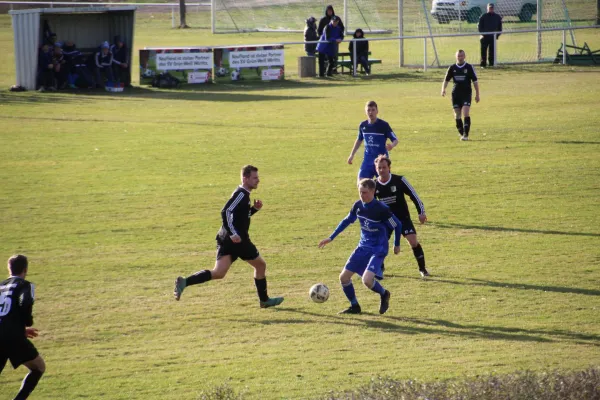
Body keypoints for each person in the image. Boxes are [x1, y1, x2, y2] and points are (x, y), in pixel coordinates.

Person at [173, 165, 284, 309]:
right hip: (238, 241)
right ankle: (264, 300)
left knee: (219, 273)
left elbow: (240, 217)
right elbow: (226, 211)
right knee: (260, 265)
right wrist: (234, 234)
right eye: (255, 178)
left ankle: (185, 282)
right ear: (245, 178)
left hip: (225, 239)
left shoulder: (245, 195)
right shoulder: (241, 194)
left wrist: (254, 210)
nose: (258, 180)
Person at [318, 179, 402, 315]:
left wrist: (396, 244)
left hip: (378, 248)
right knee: (343, 278)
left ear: (373, 192)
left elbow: (397, 225)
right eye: (360, 192)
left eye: (365, 192)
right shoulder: (358, 206)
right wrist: (331, 237)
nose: (362, 195)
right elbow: (347, 221)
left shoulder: (382, 209)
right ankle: (354, 306)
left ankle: (384, 293)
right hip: (363, 247)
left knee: (367, 280)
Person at [374, 155, 430, 278]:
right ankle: (380, 269)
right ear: (376, 169)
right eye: (379, 168)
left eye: (384, 167)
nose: (382, 170)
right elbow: (370, 205)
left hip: (402, 218)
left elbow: (414, 195)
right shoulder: (373, 185)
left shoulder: (399, 180)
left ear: (389, 168)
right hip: (386, 221)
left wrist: (421, 212)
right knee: (380, 243)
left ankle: (423, 269)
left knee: (413, 242)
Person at [0, 255, 46, 400]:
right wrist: (27, 322)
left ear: (9, 269)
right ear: (25, 269)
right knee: (38, 367)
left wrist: (18, 329)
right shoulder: (26, 285)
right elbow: (25, 302)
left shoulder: (0, 286)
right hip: (13, 337)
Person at [347, 100, 399, 181]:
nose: (370, 112)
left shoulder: (384, 125)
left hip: (381, 162)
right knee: (361, 183)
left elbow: (395, 139)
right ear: (365, 111)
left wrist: (391, 145)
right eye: (368, 110)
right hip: (367, 160)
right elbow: (359, 140)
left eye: (373, 110)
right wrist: (352, 155)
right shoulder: (363, 125)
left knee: (384, 186)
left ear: (377, 111)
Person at [441, 50, 480, 141]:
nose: (460, 57)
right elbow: (446, 80)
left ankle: (466, 135)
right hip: (455, 94)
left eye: (462, 56)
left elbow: (475, 82)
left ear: (465, 56)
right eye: (458, 56)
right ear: (456, 57)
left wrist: (477, 94)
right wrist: (443, 89)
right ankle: (462, 133)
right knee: (457, 115)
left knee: (465, 113)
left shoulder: (469, 67)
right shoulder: (452, 68)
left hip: (466, 93)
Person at [317, 5, 345, 74]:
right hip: (323, 45)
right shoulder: (327, 26)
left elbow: (341, 34)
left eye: (336, 21)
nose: (335, 23)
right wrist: (335, 40)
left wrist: (340, 39)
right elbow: (327, 37)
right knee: (322, 61)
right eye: (334, 21)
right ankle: (322, 74)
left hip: (331, 45)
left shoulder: (338, 27)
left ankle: (329, 73)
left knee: (332, 61)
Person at [478, 3, 502, 68]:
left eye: (492, 8)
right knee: (483, 51)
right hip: (484, 37)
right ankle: (483, 64)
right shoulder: (483, 16)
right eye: (489, 8)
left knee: (492, 52)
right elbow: (480, 27)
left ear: (493, 8)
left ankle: (491, 64)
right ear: (487, 8)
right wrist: (483, 34)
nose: (491, 9)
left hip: (493, 37)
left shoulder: (497, 17)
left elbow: (500, 28)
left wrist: (496, 36)